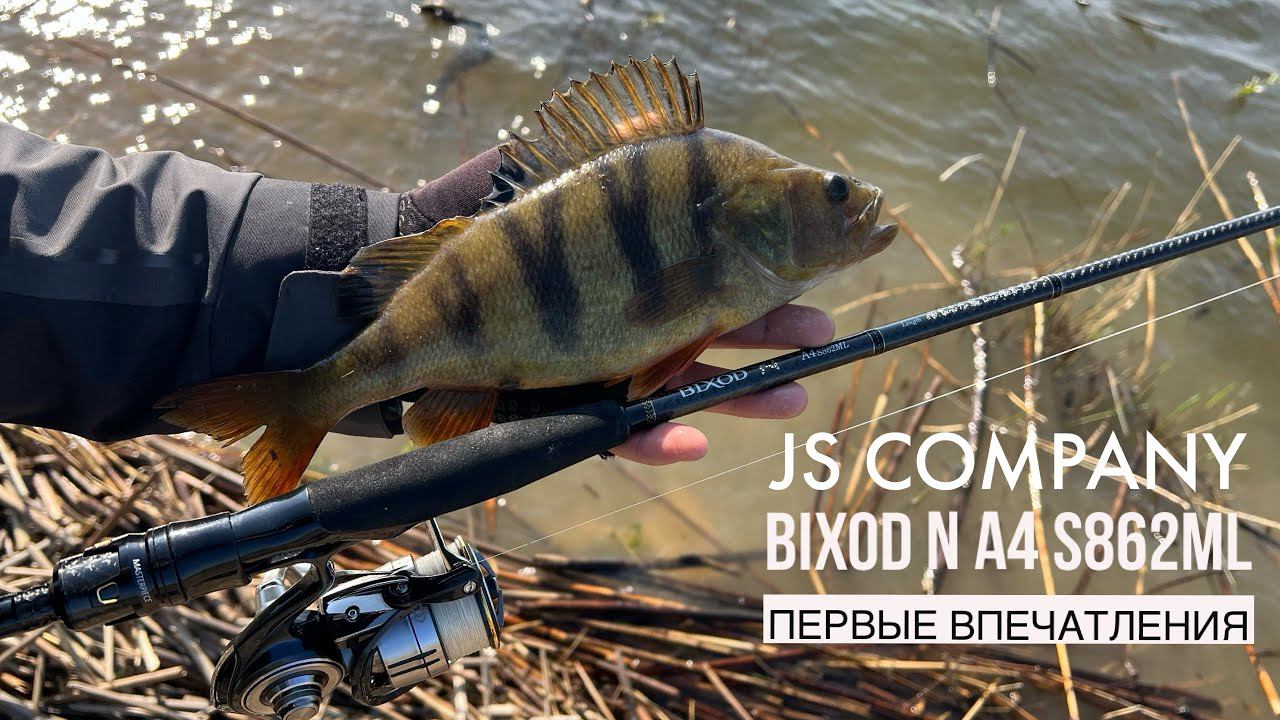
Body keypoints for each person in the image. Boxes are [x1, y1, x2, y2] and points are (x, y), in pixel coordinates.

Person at [0, 123, 834, 465]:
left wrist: (384, 238)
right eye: (831, 195)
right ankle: (306, 397)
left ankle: (308, 393)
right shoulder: (720, 233)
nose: (851, 207)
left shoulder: (721, 227)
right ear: (755, 213)